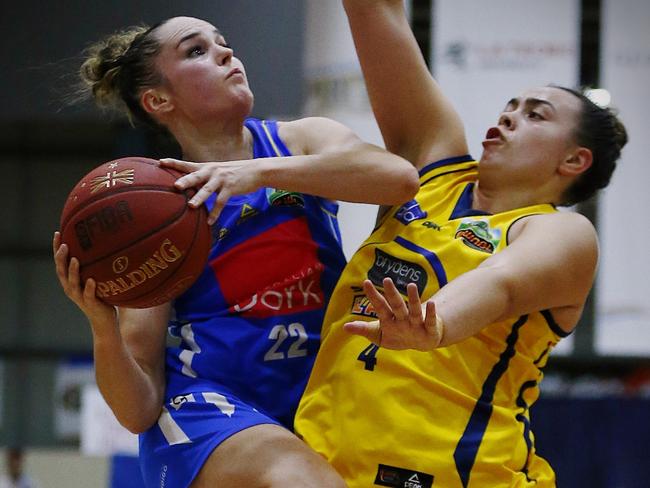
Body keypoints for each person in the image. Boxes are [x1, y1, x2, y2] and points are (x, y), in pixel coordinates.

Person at [53, 15, 419, 488]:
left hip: (318, 394)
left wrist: (258, 173)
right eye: (196, 50)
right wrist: (102, 326)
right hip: (212, 408)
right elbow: (137, 410)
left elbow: (398, 179)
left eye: (223, 43)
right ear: (158, 100)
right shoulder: (156, 210)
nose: (226, 53)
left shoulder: (295, 141)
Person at [295, 1, 628, 487]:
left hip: (462, 476)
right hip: (325, 463)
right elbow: (375, 14)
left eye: (536, 116)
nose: (510, 117)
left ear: (574, 160)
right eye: (509, 107)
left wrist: (437, 323)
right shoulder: (432, 169)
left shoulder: (560, 232)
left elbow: (501, 283)